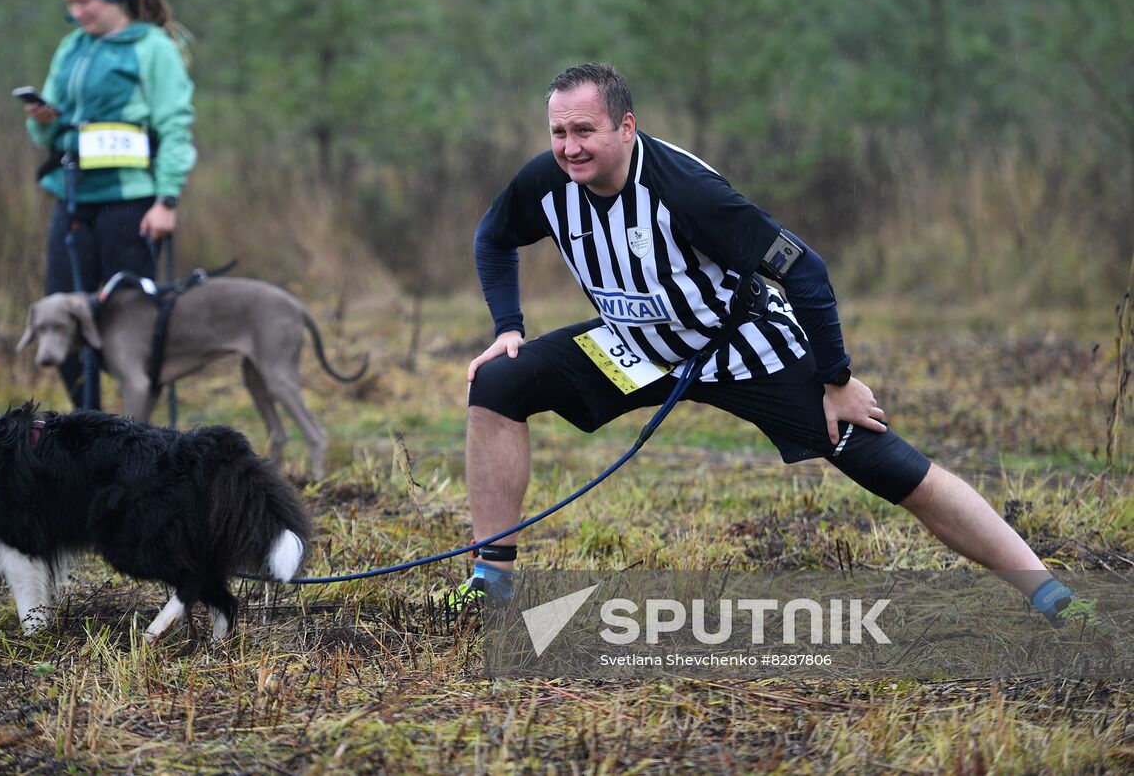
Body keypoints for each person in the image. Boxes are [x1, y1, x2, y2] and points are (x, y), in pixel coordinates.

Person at [452, 62, 1074, 625]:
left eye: (584, 130)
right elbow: (493, 235)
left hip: (742, 344)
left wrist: (837, 379)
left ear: (625, 127)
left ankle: (1047, 592)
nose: (570, 148)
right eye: (559, 133)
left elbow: (804, 268)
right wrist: (508, 326)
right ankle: (492, 586)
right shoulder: (546, 181)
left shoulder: (687, 192)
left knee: (885, 462)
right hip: (636, 349)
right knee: (498, 380)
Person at [22, 0, 197, 406]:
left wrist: (167, 200)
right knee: (58, 314)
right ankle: (89, 425)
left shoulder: (153, 48)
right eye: (70, 3)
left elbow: (175, 128)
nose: (77, 12)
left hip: (132, 203)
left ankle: (133, 436)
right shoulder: (72, 47)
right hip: (73, 197)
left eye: (85, 1)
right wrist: (42, 118)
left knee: (126, 324)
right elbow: (49, 127)